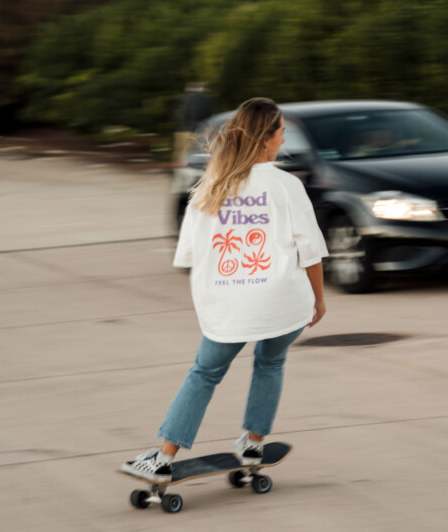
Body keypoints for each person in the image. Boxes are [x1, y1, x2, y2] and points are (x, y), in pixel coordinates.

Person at [122, 97, 328, 482]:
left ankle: (163, 457)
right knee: (271, 363)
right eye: (281, 132)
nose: (284, 140)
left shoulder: (210, 186)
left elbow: (188, 255)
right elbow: (311, 253)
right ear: (266, 138)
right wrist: (318, 299)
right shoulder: (288, 186)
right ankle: (252, 443)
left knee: (204, 373)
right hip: (284, 303)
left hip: (230, 305)